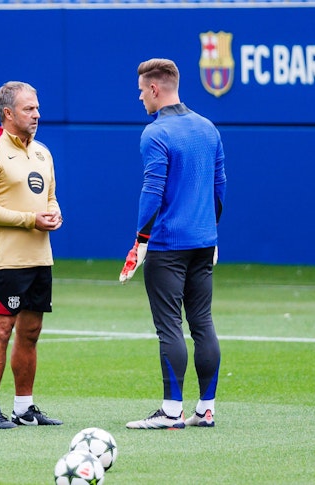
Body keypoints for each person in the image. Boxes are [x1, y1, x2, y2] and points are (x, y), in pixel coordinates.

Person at [120, 58, 227, 430]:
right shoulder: (208, 127)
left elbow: (153, 191)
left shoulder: (156, 133)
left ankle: (171, 412)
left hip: (167, 245)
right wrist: (211, 231)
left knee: (169, 327)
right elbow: (219, 188)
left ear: (154, 88)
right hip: (204, 242)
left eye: (141, 91)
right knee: (203, 323)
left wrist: (140, 241)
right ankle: (206, 409)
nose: (140, 98)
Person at [0, 81, 64, 429]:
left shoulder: (42, 153)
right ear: (8, 113)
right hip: (6, 260)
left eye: (37, 108)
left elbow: (50, 197)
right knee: (1, 330)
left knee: (31, 331)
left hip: (40, 257)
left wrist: (54, 213)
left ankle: (24, 409)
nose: (37, 114)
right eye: (29, 109)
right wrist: (29, 220)